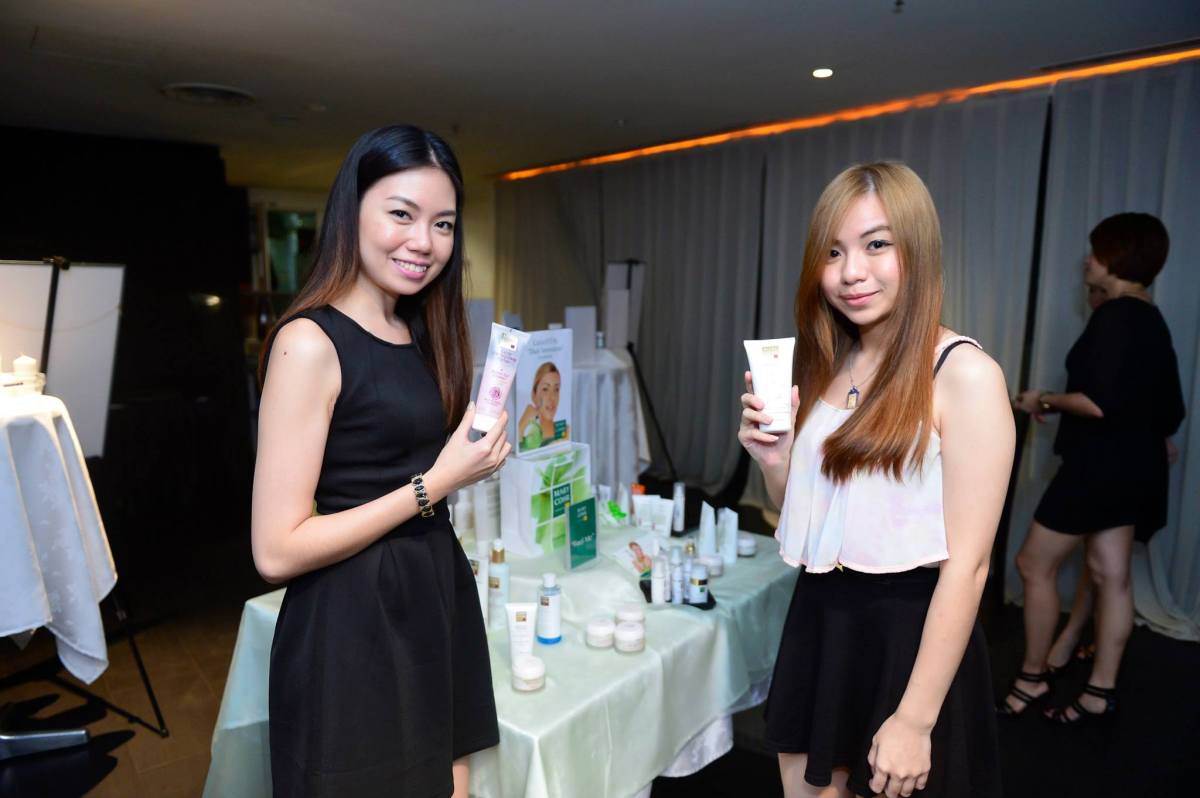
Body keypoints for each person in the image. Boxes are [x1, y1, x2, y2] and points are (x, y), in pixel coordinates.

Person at [741, 162, 1014, 798]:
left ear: (917, 249)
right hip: (819, 619)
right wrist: (776, 461)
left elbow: (970, 567)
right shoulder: (835, 362)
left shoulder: (964, 374)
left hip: (910, 640)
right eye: (833, 252)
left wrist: (915, 719)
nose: (851, 272)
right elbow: (812, 519)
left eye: (876, 244)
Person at [251, 125, 507, 797]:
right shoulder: (309, 342)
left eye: (443, 224)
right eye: (401, 213)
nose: (424, 241)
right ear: (352, 211)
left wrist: (464, 463)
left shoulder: (417, 330)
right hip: (352, 624)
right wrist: (437, 484)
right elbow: (275, 550)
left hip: (430, 593)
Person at [1003, 213, 1185, 724]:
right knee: (1112, 575)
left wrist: (1043, 399)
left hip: (1099, 465)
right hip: (1135, 468)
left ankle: (1032, 678)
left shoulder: (1116, 316)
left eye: (1096, 252)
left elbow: (1099, 402)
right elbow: (1169, 407)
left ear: (1117, 258)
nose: (1087, 260)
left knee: (1033, 565)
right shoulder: (1151, 318)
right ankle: (1099, 692)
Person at [519, 361, 568, 450]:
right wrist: (523, 423)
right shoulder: (528, 433)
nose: (552, 397)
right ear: (534, 395)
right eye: (545, 389)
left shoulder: (565, 431)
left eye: (556, 389)